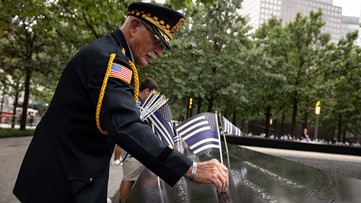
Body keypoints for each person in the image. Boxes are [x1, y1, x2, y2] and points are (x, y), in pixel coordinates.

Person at [13, 2, 228, 203]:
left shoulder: (108, 51)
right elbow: (125, 126)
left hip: (59, 173)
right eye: (157, 41)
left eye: (164, 46)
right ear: (134, 26)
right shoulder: (113, 61)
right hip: (63, 182)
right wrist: (190, 168)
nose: (160, 52)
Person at [119, 77, 158, 203]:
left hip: (133, 145)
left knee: (131, 177)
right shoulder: (136, 103)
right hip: (132, 146)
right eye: (153, 93)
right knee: (129, 178)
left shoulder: (138, 101)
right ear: (147, 90)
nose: (153, 97)